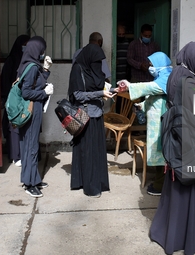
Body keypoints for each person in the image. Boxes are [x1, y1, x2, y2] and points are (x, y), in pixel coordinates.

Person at [149, 42, 195, 255]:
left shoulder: (176, 75)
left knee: (179, 191)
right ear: (193, 59)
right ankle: (194, 240)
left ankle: (172, 236)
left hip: (179, 142)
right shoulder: (190, 84)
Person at [116, 51, 172, 196]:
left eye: (153, 64)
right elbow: (153, 96)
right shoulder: (161, 77)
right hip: (156, 122)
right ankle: (160, 182)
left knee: (162, 151)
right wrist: (142, 105)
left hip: (162, 122)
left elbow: (151, 88)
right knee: (159, 151)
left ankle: (161, 185)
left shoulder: (167, 78)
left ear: (160, 64)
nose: (150, 67)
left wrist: (130, 86)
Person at [68, 39, 116, 198]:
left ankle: (95, 182)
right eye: (96, 62)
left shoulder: (95, 70)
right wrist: (100, 94)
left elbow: (101, 85)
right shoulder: (78, 69)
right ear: (89, 58)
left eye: (99, 62)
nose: (98, 65)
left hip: (97, 114)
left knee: (95, 151)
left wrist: (112, 90)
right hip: (84, 115)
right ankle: (90, 187)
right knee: (87, 151)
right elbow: (78, 95)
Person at [18, 36, 53, 198]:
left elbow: (36, 83)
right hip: (31, 111)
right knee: (31, 147)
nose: (43, 53)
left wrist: (45, 70)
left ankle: (34, 178)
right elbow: (26, 93)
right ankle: (28, 183)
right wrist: (44, 92)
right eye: (42, 50)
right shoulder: (31, 67)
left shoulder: (31, 64)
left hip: (34, 110)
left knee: (31, 146)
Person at [0, 34, 30, 167]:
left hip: (24, 99)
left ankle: (21, 154)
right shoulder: (11, 60)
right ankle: (14, 155)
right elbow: (5, 80)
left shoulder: (26, 61)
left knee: (22, 124)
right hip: (12, 99)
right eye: (25, 44)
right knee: (12, 126)